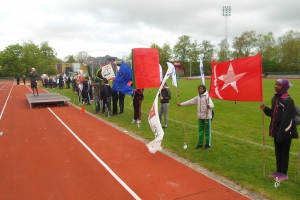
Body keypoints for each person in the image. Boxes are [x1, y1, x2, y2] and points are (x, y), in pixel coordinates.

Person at [260, 79, 298, 181]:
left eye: (279, 85)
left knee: (284, 153)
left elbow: (287, 119)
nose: (275, 86)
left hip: (286, 132)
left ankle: (284, 173)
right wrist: (265, 109)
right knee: (277, 152)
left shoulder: (288, 100)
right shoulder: (275, 98)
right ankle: (278, 171)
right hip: (277, 131)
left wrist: (282, 134)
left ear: (284, 87)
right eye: (275, 84)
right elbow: (274, 114)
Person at [177, 85, 214, 150]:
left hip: (207, 117)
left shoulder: (207, 97)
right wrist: (181, 104)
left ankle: (208, 145)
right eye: (199, 89)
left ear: (204, 89)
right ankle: (200, 144)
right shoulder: (198, 97)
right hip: (200, 117)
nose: (200, 90)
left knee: (207, 132)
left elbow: (212, 105)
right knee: (200, 131)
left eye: (201, 89)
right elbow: (190, 102)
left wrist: (209, 106)